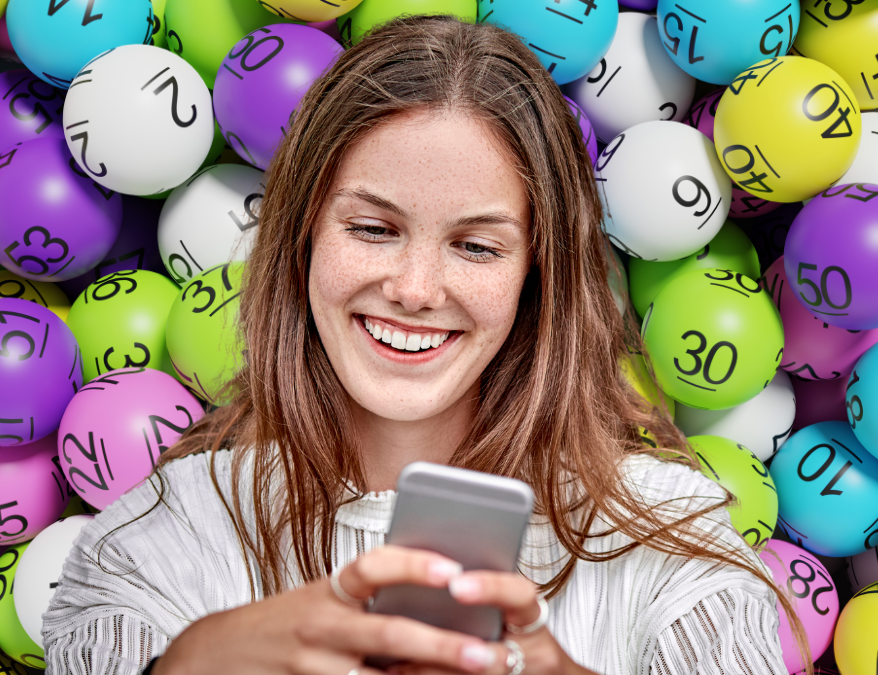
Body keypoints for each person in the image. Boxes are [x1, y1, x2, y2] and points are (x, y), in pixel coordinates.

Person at [43, 15, 802, 675]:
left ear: (536, 273)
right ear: (303, 236)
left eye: (476, 246)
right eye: (372, 228)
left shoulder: (667, 540)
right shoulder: (161, 536)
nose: (414, 288)